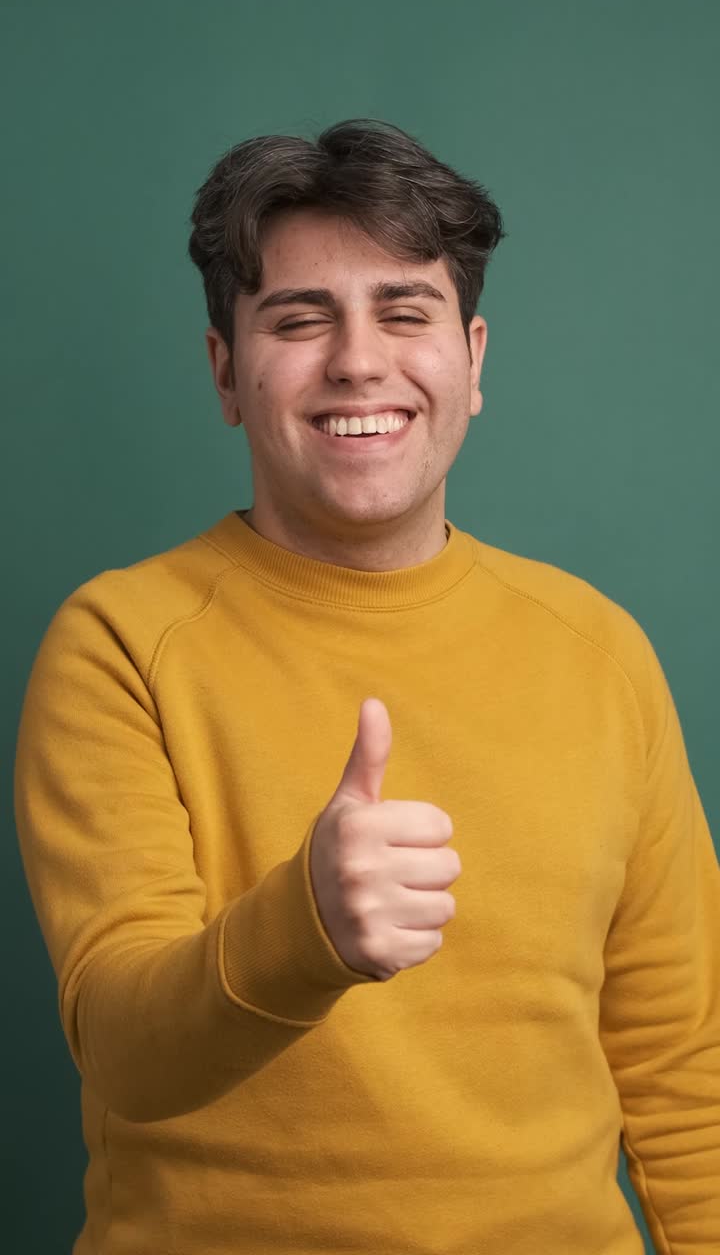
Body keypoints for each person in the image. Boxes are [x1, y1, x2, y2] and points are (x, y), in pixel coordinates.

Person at [14, 118, 719, 1255]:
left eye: (405, 311)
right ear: (226, 372)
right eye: (299, 319)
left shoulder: (600, 651)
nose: (358, 359)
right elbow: (125, 1046)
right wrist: (308, 930)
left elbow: (688, 1064)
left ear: (474, 361)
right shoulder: (119, 642)